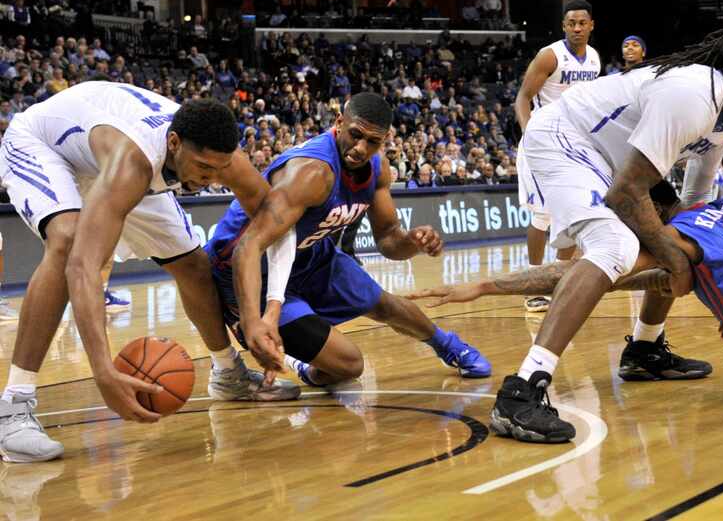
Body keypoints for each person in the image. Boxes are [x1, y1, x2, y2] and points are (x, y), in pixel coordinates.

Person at [422, 25, 723, 444]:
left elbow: (693, 212)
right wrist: (675, 257)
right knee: (618, 245)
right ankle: (522, 389)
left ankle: (645, 350)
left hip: (610, 156)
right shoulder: (694, 96)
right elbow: (626, 192)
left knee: (682, 236)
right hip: (563, 137)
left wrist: (722, 293)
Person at [0, 82, 299, 463]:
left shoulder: (220, 157)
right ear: (174, 143)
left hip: (108, 157)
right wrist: (103, 371)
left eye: (219, 170)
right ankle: (14, 404)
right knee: (68, 242)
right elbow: (84, 267)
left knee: (194, 264)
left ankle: (227, 372)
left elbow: (277, 224)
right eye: (204, 168)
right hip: (43, 146)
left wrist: (269, 311)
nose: (210, 179)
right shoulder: (135, 161)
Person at [409, 180, 723, 409]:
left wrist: (484, 286)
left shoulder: (673, 238)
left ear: (652, 216)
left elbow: (579, 273)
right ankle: (647, 351)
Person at [205, 93, 491, 390]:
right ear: (339, 123)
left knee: (385, 304)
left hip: (310, 254)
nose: (360, 148)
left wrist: (412, 241)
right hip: (251, 267)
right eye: (355, 135)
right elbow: (247, 247)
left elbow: (389, 239)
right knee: (350, 365)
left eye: (372, 141)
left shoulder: (377, 166)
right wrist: (253, 320)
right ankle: (294, 361)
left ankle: (449, 346)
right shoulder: (312, 172)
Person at [514, 0, 602, 312]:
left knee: (572, 212)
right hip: (541, 143)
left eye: (582, 23)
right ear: (564, 26)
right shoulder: (550, 55)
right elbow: (522, 98)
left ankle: (560, 279)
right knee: (542, 215)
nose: (577, 28)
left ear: (591, 25)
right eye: (571, 23)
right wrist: (530, 134)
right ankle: (535, 283)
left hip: (573, 145)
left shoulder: (594, 59)